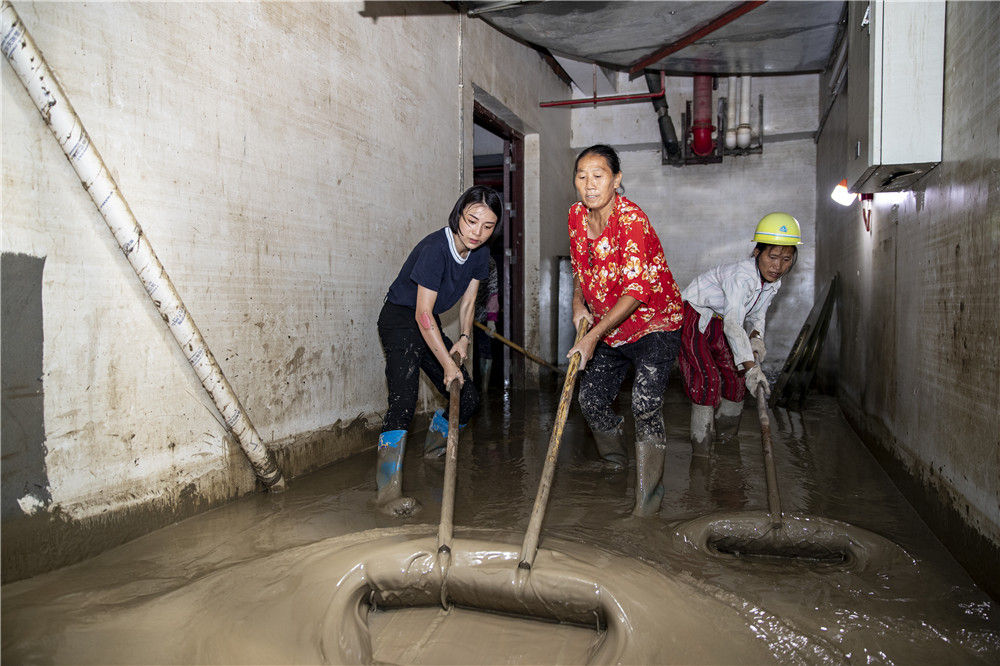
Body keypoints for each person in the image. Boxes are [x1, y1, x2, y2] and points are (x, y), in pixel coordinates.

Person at [567, 144, 685, 517]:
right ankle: (617, 463)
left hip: (654, 323)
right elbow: (579, 269)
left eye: (598, 176)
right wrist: (577, 305)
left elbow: (636, 292)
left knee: (644, 403)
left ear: (616, 180)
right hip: (609, 328)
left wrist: (590, 336)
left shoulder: (631, 219)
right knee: (590, 400)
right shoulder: (575, 216)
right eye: (581, 176)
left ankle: (647, 502)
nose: (589, 185)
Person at [376, 185, 502, 517]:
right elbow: (421, 314)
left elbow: (470, 300)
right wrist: (447, 363)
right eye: (472, 221)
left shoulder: (480, 254)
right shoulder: (435, 248)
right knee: (403, 401)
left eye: (487, 227)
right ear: (459, 214)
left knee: (469, 399)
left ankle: (433, 453)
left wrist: (463, 338)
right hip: (401, 319)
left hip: (427, 322)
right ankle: (387, 492)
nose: (477, 233)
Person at [678, 212, 802, 457]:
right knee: (707, 379)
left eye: (786, 259)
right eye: (773, 256)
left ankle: (726, 443)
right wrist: (751, 368)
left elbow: (757, 315)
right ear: (757, 253)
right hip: (695, 314)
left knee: (735, 381)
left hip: (720, 320)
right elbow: (734, 324)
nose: (778, 266)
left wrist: (756, 338)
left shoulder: (773, 281)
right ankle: (702, 453)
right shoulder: (742, 277)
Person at [472, 256, 499, 393]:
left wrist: (491, 320)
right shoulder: (466, 259)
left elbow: (493, 292)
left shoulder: (490, 264)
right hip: (463, 312)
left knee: (485, 350)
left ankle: (484, 389)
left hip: (482, 314)